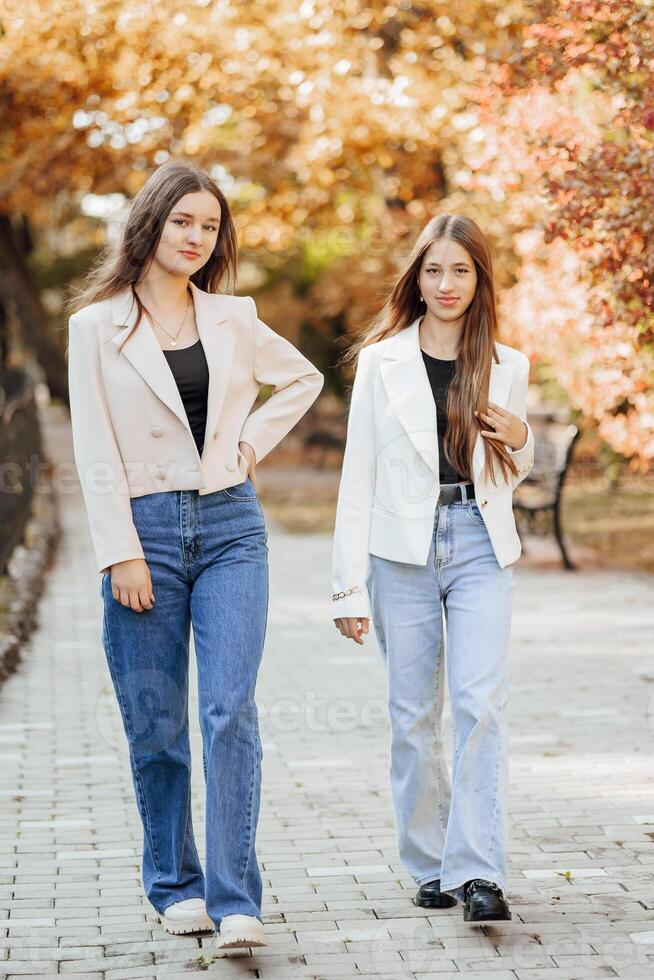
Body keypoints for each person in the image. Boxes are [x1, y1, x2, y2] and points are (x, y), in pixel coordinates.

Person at [66, 160, 324, 948]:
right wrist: (120, 553)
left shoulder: (233, 317)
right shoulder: (96, 325)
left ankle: (236, 898)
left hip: (231, 530)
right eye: (183, 221)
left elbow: (304, 379)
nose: (196, 237)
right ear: (151, 223)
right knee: (156, 724)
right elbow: (91, 446)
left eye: (210, 226)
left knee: (229, 711)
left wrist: (250, 442)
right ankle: (174, 884)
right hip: (143, 534)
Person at [331, 213, 535, 923]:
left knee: (480, 708)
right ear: (416, 278)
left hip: (480, 541)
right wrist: (344, 586)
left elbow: (510, 463)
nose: (446, 284)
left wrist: (526, 437)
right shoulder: (383, 361)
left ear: (480, 280)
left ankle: (479, 872)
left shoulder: (508, 364)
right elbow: (357, 477)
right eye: (434, 270)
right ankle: (428, 863)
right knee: (412, 715)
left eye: (461, 271)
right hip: (401, 553)